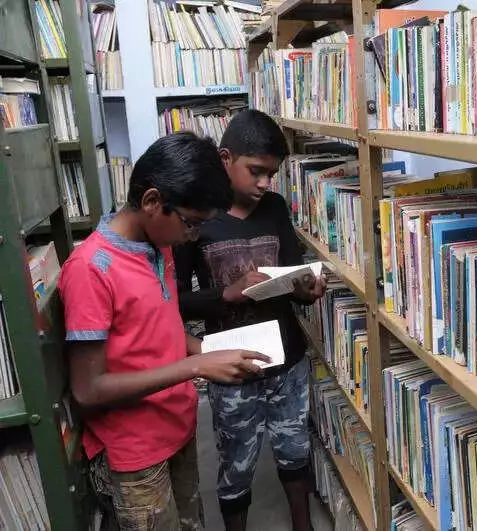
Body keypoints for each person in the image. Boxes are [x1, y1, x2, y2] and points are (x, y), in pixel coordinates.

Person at [58, 132, 272, 531]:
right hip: (136, 452)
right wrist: (197, 367)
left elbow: (159, 331)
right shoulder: (92, 269)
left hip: (178, 424)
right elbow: (88, 389)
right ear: (152, 201)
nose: (192, 236)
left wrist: (211, 348)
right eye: (191, 224)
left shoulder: (160, 245)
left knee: (191, 522)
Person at [174, 110, 325, 531]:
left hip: (288, 360)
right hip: (234, 366)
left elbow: (293, 270)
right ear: (225, 158)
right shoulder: (199, 218)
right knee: (236, 465)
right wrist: (224, 294)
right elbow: (176, 301)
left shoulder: (275, 207)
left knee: (295, 452)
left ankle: (303, 525)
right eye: (256, 171)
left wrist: (306, 289)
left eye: (271, 175)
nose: (264, 184)